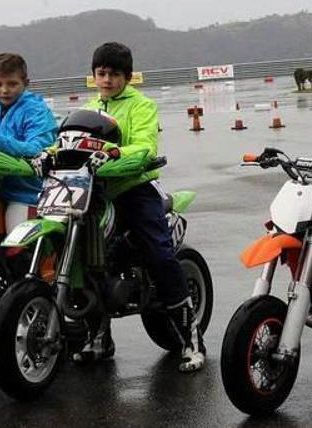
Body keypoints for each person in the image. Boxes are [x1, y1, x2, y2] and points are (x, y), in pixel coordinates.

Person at [72, 41, 204, 373]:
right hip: (95, 192)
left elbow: (145, 145)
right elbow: (67, 141)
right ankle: (98, 337)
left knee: (158, 254)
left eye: (114, 74)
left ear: (128, 77)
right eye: (101, 73)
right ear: (93, 76)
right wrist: (47, 154)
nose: (107, 80)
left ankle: (193, 340)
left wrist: (117, 154)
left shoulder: (141, 106)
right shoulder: (87, 108)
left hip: (135, 188)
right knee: (81, 256)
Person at [0, 53, 57, 232]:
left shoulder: (37, 111)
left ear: (26, 83)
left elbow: (37, 150)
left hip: (27, 194)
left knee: (17, 249)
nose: (5, 90)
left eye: (12, 84)